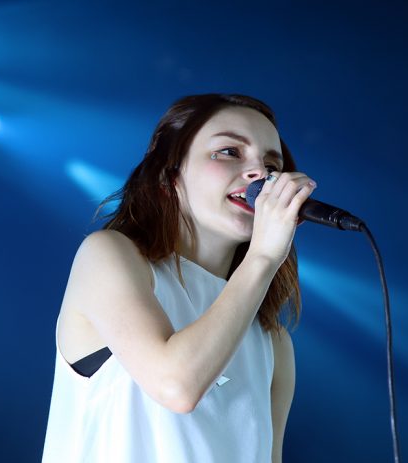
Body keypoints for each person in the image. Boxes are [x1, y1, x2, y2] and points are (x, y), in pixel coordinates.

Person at [42, 93, 317, 463]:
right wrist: (264, 257)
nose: (260, 174)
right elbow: (176, 386)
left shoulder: (273, 342)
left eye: (271, 164)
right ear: (169, 175)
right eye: (229, 152)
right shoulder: (109, 256)